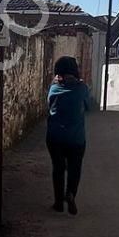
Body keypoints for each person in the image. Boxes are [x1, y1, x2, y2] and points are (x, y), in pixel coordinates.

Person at [46, 54, 91, 214]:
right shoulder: (82, 89)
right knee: (74, 168)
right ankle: (70, 193)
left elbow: (49, 106)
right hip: (76, 138)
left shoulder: (54, 88)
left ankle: (58, 203)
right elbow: (89, 107)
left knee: (58, 168)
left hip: (55, 136)